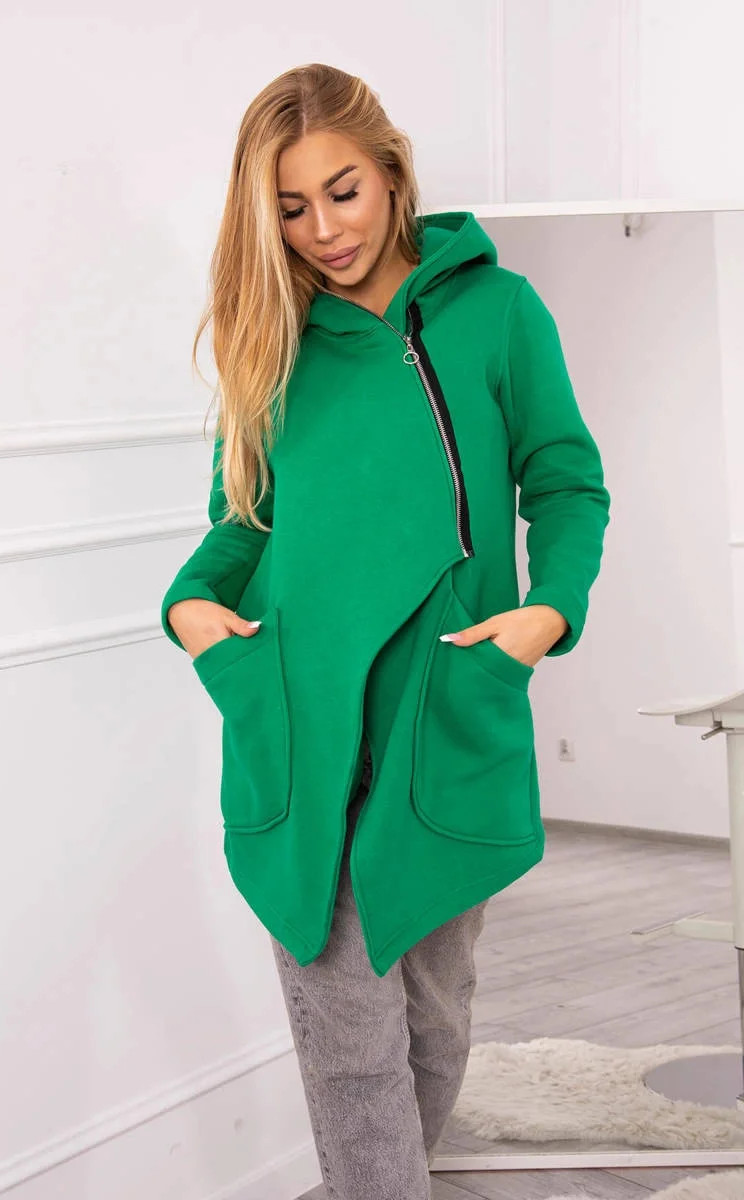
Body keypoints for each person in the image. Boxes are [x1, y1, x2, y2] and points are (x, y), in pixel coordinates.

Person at [161, 62, 610, 1200]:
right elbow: (242, 523)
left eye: (343, 191)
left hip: (443, 712)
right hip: (301, 721)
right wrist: (190, 607)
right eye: (290, 208)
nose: (323, 230)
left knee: (434, 1020)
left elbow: (564, 481)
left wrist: (546, 612)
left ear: (393, 171)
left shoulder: (496, 312)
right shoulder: (274, 341)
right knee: (346, 1041)